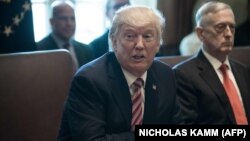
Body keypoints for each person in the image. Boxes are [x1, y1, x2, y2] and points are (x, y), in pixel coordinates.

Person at [58, 5, 183, 141]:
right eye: (130, 36)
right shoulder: (89, 80)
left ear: (158, 43)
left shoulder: (165, 75)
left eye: (147, 36)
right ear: (114, 41)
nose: (140, 45)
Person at [173, 1, 250, 124]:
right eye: (221, 27)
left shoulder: (243, 70)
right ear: (201, 33)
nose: (229, 34)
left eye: (232, 27)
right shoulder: (183, 75)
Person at [37, 1, 94, 68]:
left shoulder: (86, 50)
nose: (69, 24)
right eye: (63, 18)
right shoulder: (38, 50)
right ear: (52, 22)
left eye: (72, 19)